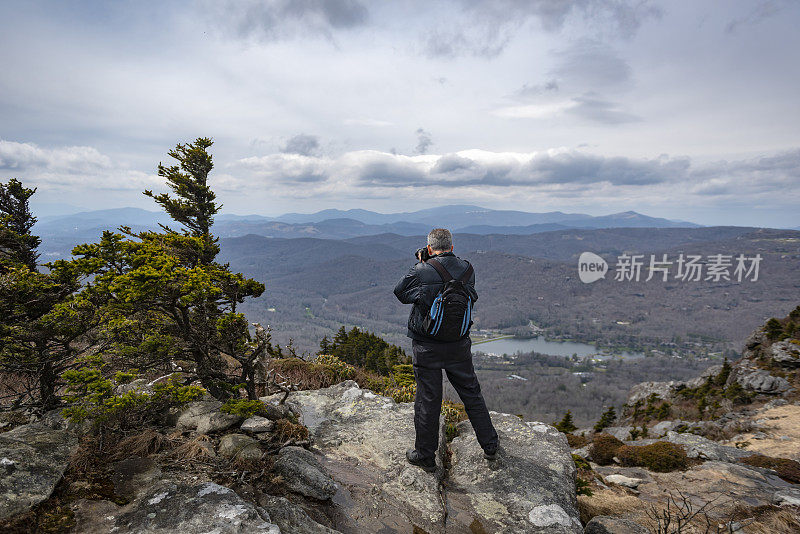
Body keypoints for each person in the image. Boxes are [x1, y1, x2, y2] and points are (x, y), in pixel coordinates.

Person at [393, 228, 499, 472]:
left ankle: (425, 456)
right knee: (471, 393)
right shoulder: (468, 270)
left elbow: (401, 293)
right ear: (452, 246)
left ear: (429, 248)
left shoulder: (422, 270)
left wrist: (423, 264)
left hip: (426, 345)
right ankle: (490, 445)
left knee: (428, 398)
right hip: (458, 344)